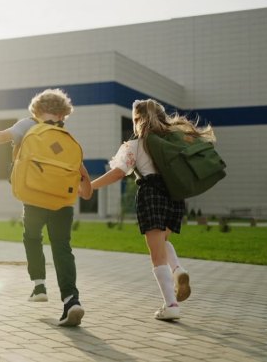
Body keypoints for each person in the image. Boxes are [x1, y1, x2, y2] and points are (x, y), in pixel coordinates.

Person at [0, 88, 93, 327]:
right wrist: (86, 189)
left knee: (31, 237)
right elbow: (81, 174)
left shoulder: (28, 125)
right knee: (62, 249)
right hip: (62, 202)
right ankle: (72, 300)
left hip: (35, 198)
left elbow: (0, 136)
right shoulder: (64, 134)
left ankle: (39, 285)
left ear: (37, 110)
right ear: (63, 114)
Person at [90, 99, 214, 321]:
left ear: (137, 119)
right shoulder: (172, 141)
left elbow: (119, 172)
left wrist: (91, 186)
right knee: (163, 244)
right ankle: (178, 271)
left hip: (151, 194)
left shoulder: (135, 145)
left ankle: (171, 304)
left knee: (156, 253)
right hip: (174, 195)